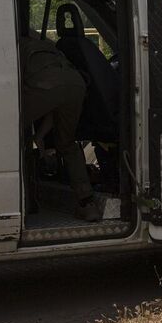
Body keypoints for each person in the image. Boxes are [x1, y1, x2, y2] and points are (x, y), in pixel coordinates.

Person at [20, 27, 98, 220]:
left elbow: (47, 93)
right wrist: (40, 137)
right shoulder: (46, 44)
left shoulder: (11, 46)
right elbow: (55, 103)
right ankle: (87, 204)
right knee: (67, 144)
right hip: (75, 84)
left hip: (46, 85)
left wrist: (33, 138)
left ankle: (27, 201)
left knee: (12, 136)